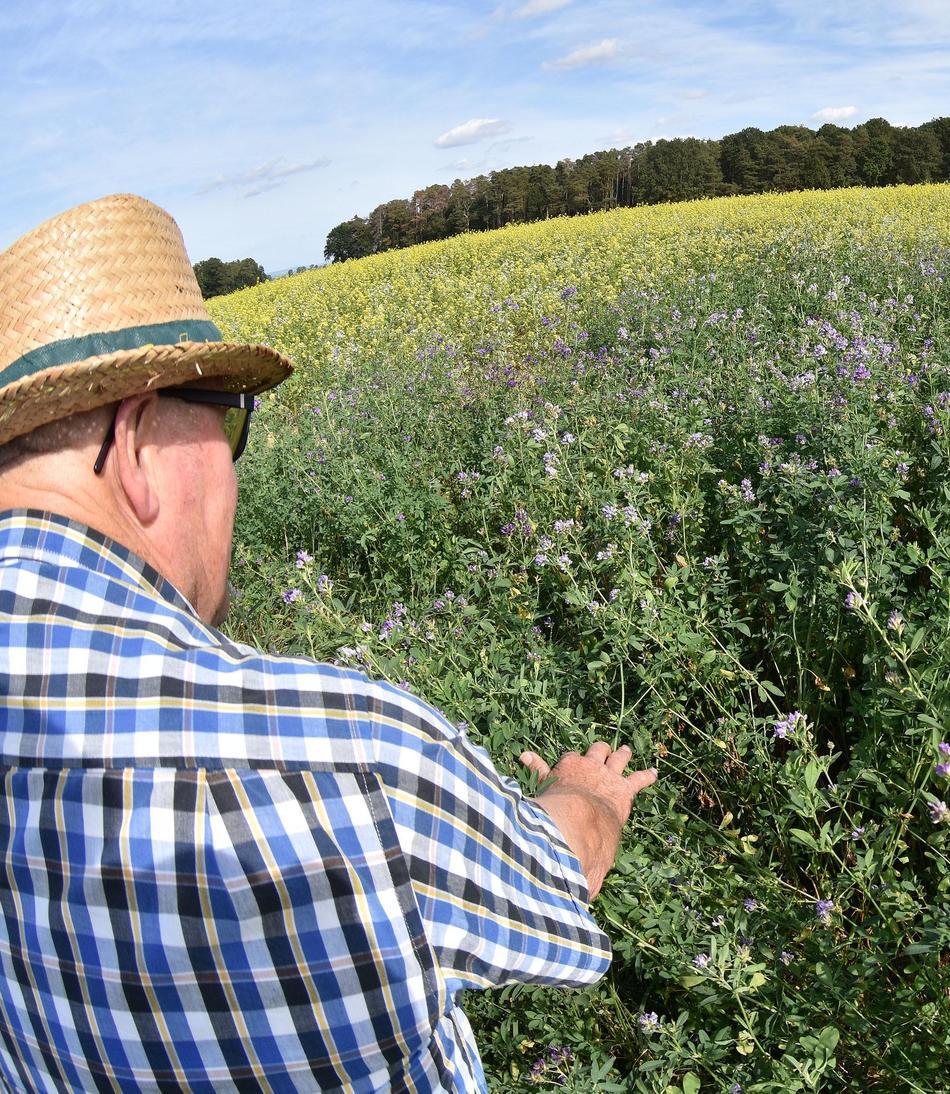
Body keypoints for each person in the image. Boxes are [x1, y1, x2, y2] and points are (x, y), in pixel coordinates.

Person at [0, 193, 657, 1090]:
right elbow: (552, 878)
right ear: (138, 440)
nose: (233, 466)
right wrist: (586, 795)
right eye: (227, 420)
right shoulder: (344, 758)